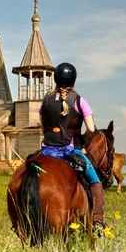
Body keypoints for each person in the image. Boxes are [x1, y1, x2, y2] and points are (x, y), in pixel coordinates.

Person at [39, 62, 106, 233]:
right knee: (95, 182)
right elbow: (91, 129)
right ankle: (98, 220)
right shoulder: (79, 101)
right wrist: (81, 142)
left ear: (55, 80)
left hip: (47, 151)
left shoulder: (45, 101)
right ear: (73, 81)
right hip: (71, 149)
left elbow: (43, 127)